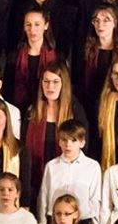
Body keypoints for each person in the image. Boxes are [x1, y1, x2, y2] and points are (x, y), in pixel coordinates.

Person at [24, 60, 87, 197]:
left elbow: (82, 145)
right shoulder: (33, 110)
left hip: (65, 179)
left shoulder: (75, 110)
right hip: (35, 179)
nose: (50, 86)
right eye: (46, 81)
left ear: (63, 84)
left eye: (55, 82)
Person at [37, 119, 101, 224]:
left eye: (73, 140)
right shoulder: (52, 166)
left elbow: (95, 200)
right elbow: (43, 197)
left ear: (82, 143)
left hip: (82, 221)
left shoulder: (92, 166)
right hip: (56, 221)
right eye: (64, 140)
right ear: (59, 141)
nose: (68, 145)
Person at [74, 3, 118, 118]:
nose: (100, 25)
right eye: (96, 20)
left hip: (115, 104)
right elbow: (78, 80)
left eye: (106, 20)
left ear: (115, 23)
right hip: (88, 105)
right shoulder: (85, 48)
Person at [4, 6, 57, 114]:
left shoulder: (57, 56)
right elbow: (7, 90)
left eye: (37, 24)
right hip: (18, 110)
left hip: (47, 110)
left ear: (46, 25)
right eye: (28, 24)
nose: (32, 30)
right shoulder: (13, 56)